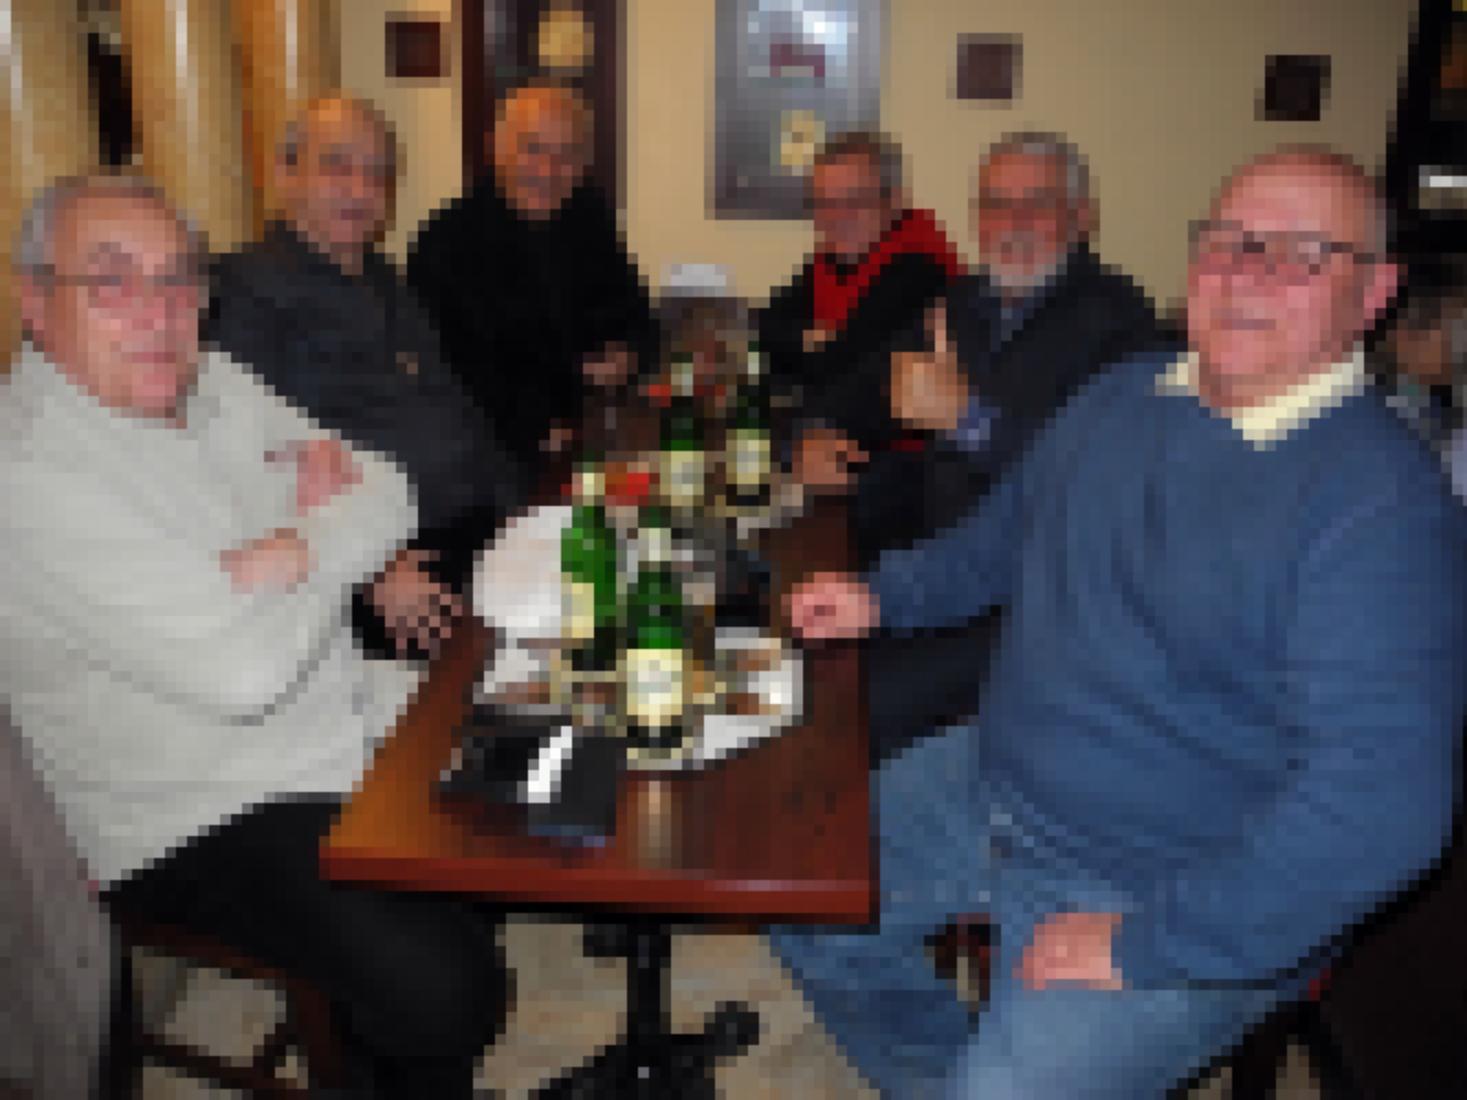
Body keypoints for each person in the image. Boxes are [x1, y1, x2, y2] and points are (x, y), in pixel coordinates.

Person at [768, 147, 1467, 1098]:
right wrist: (881, 595)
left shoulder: (1381, 505)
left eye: (1301, 253)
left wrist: (1149, 942)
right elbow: (1000, 538)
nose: (1247, 273)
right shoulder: (1125, 392)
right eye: (1228, 241)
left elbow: (1380, 815)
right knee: (800, 895)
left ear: (1373, 293)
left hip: (1171, 880)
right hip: (994, 778)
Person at [0, 174, 508, 1099]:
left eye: (178, 277)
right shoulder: (29, 473)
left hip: (327, 708)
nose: (159, 311)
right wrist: (321, 533)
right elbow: (243, 674)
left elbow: (390, 483)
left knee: (527, 772)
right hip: (189, 808)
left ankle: (371, 1049)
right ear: (34, 301)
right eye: (111, 281)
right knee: (452, 991)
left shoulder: (214, 382)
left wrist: (287, 553)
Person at [868, 132, 1166, 759]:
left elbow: (1100, 485)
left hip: (1030, 602)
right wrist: (815, 433)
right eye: (995, 204)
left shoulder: (1124, 325)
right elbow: (871, 382)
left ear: (1082, 217)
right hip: (938, 563)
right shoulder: (962, 301)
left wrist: (969, 420)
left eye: (1038, 203)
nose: (1013, 223)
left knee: (853, 701)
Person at [211, 95, 523, 659]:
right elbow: (251, 458)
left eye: (377, 173)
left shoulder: (385, 279)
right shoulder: (246, 292)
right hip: (389, 567)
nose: (360, 189)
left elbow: (454, 409)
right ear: (285, 174)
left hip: (475, 530)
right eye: (336, 165)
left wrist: (521, 511)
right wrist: (372, 568)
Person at [406, 80, 656, 470]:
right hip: (491, 450)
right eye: (533, 148)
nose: (548, 170)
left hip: (590, 429)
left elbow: (634, 313)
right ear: (497, 149)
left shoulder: (590, 216)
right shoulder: (446, 241)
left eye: (567, 154)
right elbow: (446, 371)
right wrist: (533, 428)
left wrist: (628, 355)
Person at [757, 131, 964, 561]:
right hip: (840, 440)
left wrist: (814, 346)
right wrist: (812, 341)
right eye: (824, 202)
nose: (837, 216)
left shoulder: (919, 267)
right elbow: (765, 330)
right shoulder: (833, 261)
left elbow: (842, 368)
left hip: (909, 471)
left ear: (895, 201)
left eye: (855, 200)